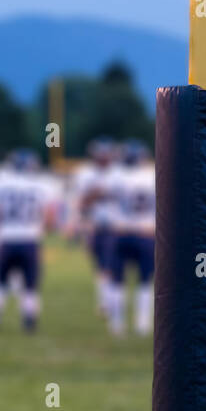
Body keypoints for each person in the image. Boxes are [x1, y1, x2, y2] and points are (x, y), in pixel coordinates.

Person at [0, 150, 59, 333]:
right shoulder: (42, 185)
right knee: (30, 284)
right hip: (29, 240)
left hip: (5, 239)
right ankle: (29, 320)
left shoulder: (0, 183)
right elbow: (49, 218)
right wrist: (42, 229)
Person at [106, 140, 157, 336]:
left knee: (117, 280)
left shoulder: (116, 175)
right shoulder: (152, 175)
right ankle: (142, 323)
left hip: (121, 232)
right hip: (145, 233)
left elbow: (107, 198)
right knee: (145, 280)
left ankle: (117, 323)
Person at [72, 138, 118, 315]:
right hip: (95, 225)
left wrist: (97, 193)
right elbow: (82, 202)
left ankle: (110, 302)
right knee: (100, 266)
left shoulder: (118, 173)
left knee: (111, 265)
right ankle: (105, 300)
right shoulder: (86, 174)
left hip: (116, 226)